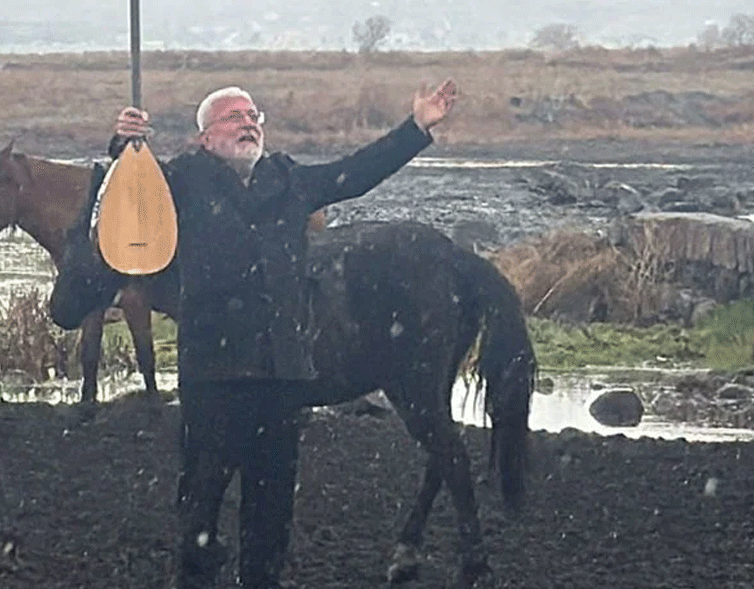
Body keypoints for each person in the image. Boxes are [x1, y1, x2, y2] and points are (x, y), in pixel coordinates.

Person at [51, 80, 457, 589]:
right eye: (232, 117)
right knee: (199, 508)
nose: (248, 123)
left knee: (271, 517)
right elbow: (125, 207)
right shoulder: (178, 182)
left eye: (253, 115)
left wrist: (415, 128)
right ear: (205, 138)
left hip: (282, 377)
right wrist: (125, 148)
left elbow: (354, 174)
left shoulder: (286, 181)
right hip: (213, 376)